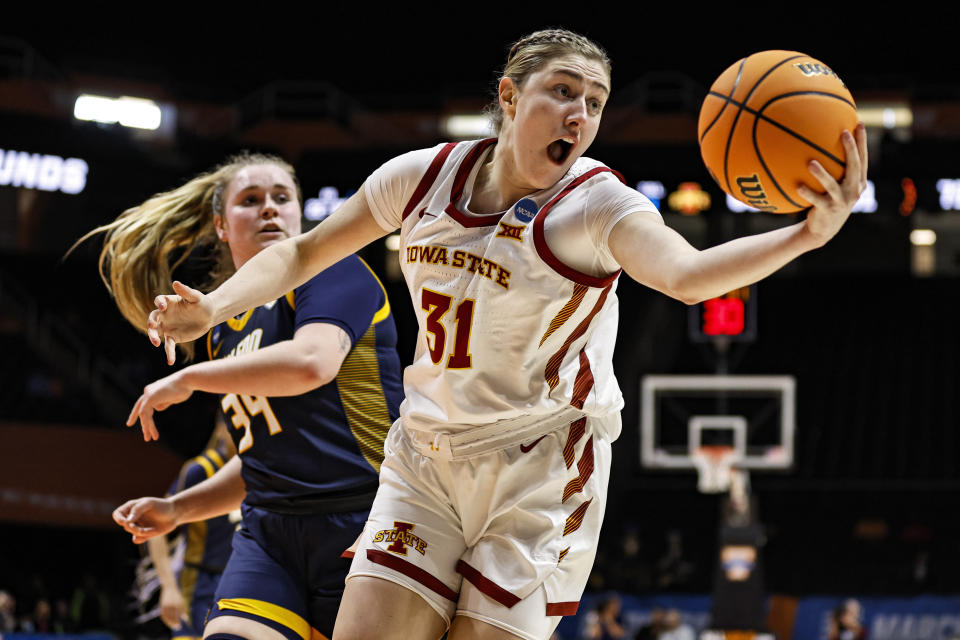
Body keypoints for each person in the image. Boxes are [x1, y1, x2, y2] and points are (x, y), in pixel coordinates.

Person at [144, 29, 868, 640]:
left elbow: (686, 275)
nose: (578, 114)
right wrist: (213, 307)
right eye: (562, 91)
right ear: (510, 97)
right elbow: (303, 252)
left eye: (594, 103)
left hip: (538, 471)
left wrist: (804, 235)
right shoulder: (421, 179)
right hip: (425, 460)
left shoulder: (597, 205)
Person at [85, 151, 403, 640]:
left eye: (282, 198)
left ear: (300, 213)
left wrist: (191, 379)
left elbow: (312, 363)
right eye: (250, 201)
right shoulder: (220, 333)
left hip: (364, 517)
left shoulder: (334, 270)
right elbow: (258, 456)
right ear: (221, 225)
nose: (269, 209)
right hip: (269, 533)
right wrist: (178, 510)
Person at [144, 422, 237, 639]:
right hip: (197, 582)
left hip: (234, 581)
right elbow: (156, 529)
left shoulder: (260, 469)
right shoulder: (200, 470)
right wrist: (168, 587)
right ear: (220, 428)